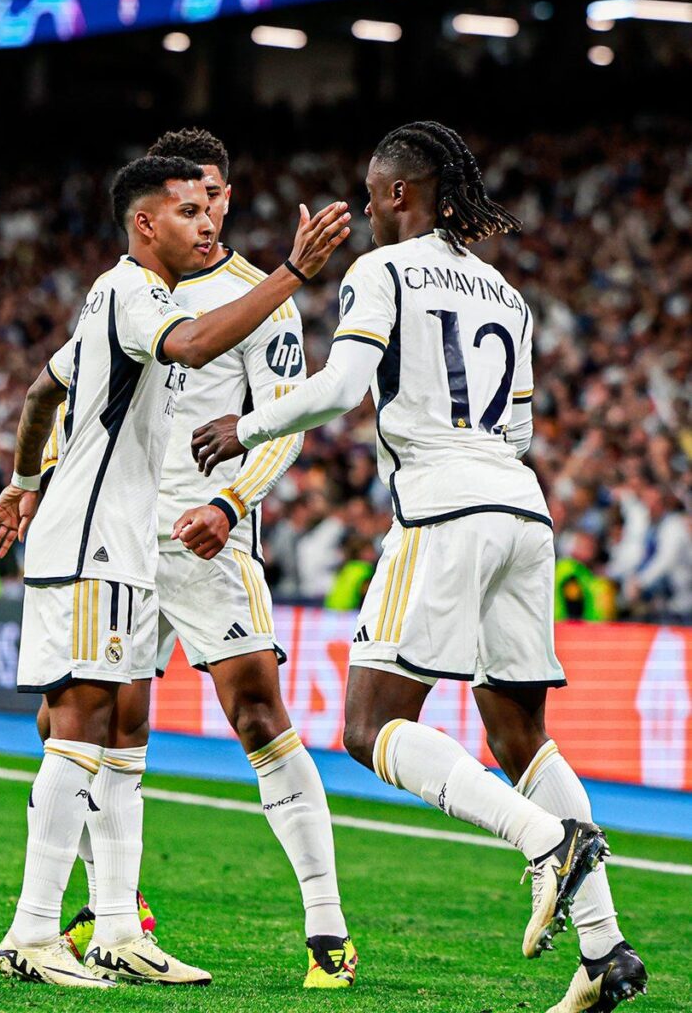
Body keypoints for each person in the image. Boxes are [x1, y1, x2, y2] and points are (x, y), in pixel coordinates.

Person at [188, 121, 647, 1013]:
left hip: (443, 507)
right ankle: (604, 950)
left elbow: (342, 387)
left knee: (369, 726)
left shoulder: (382, 269)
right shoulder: (505, 294)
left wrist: (245, 427)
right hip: (522, 508)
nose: (363, 208)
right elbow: (514, 430)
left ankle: (542, 841)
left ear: (403, 193)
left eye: (370, 192)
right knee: (519, 734)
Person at [0, 154, 350, 989]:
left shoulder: (195, 294)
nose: (208, 217)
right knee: (82, 728)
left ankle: (122, 929)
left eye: (213, 199)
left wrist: (26, 480)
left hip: (182, 539)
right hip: (105, 536)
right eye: (190, 204)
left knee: (141, 724)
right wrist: (295, 271)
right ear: (152, 220)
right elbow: (182, 344)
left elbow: (45, 390)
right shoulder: (141, 295)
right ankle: (37, 931)